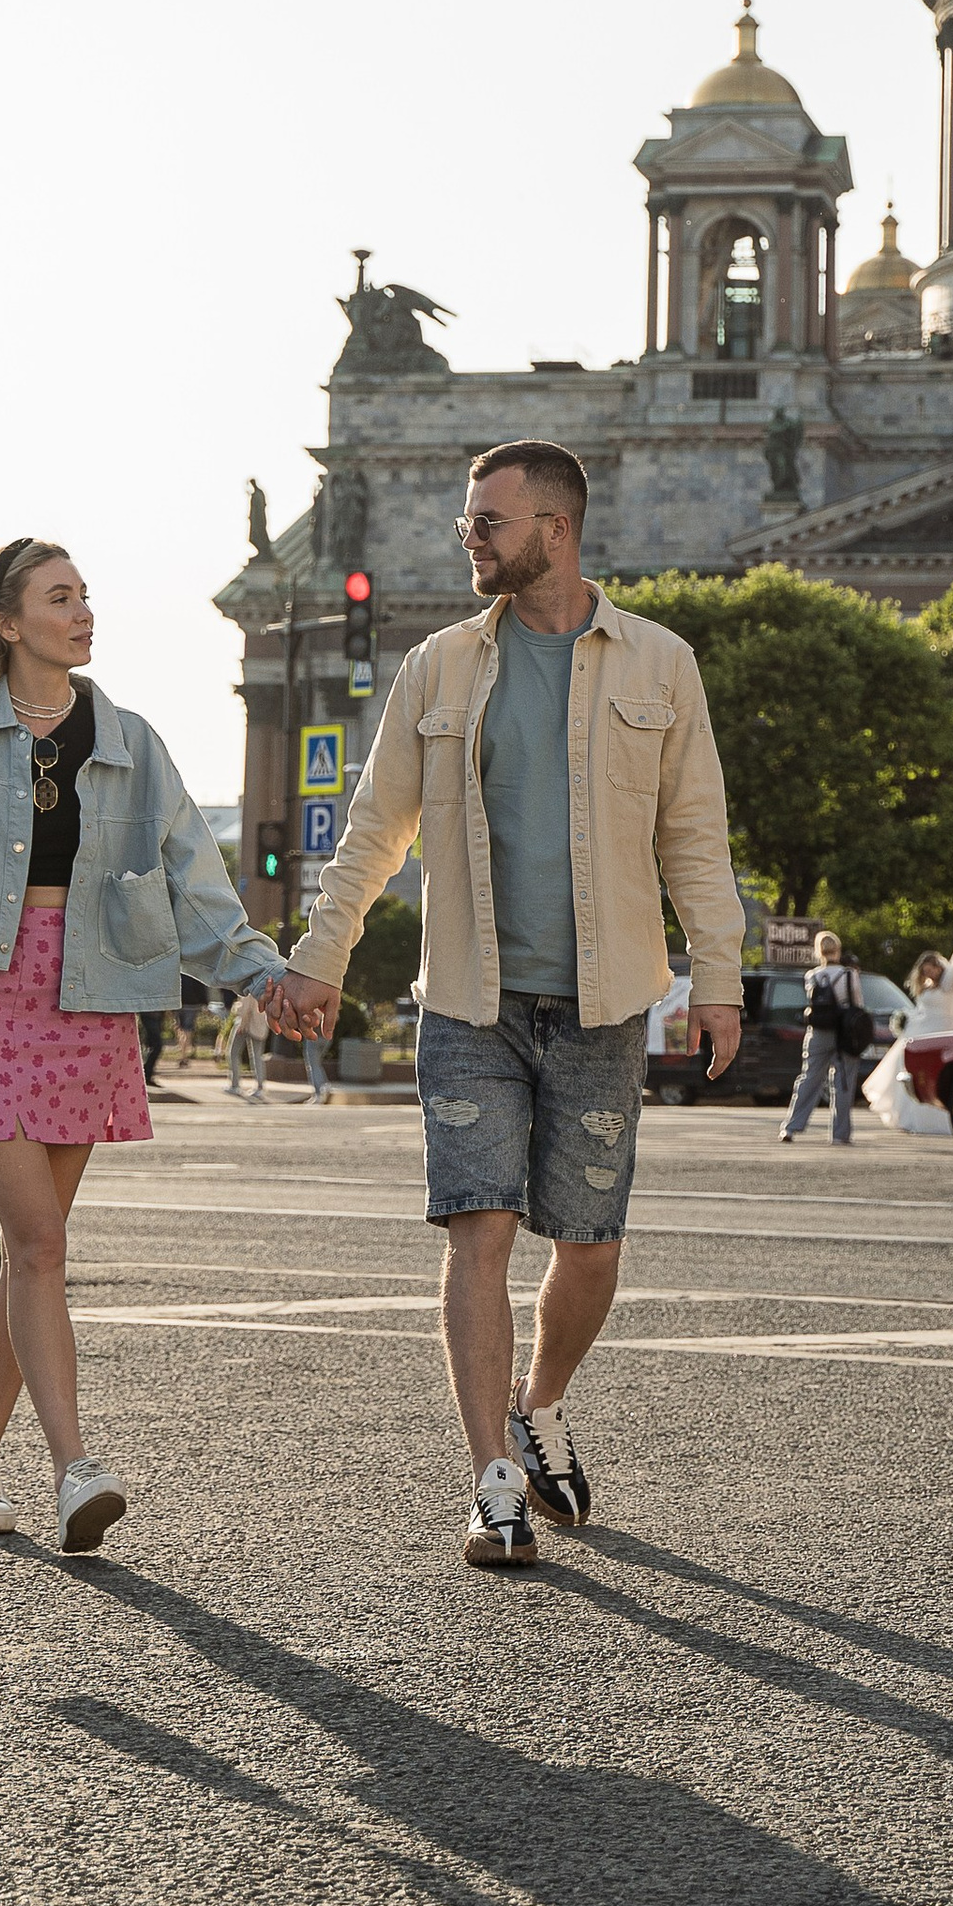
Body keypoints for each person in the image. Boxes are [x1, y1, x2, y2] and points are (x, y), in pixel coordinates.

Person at [271, 439, 744, 1572]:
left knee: (587, 1243)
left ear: (555, 530)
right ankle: (493, 1484)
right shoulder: (437, 664)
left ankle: (540, 1405)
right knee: (476, 1231)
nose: (468, 538)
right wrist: (319, 956)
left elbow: (694, 834)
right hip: (469, 1002)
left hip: (602, 1001)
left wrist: (718, 978)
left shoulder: (659, 663)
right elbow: (373, 827)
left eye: (489, 521)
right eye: (467, 521)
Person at [0, 536, 289, 1556]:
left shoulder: (132, 740)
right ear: (9, 624)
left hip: (95, 995)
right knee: (41, 1247)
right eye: (60, 599)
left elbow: (192, 870)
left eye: (86, 596)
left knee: (32, 1255)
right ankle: (74, 1470)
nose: (83, 612)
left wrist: (262, 974)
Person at [865, 931, 953, 1133]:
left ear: (939, 967)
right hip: (919, 1030)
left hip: (941, 1030)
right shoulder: (926, 986)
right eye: (926, 971)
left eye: (932, 970)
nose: (930, 974)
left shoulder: (949, 983)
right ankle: (908, 1118)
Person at [780, 931, 869, 1147]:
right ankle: (840, 1134)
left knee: (809, 1078)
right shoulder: (849, 974)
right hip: (844, 1033)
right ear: (838, 949)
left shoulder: (812, 976)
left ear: (818, 951)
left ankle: (791, 1127)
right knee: (843, 1083)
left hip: (817, 1032)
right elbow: (858, 1003)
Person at [223, 984, 271, 1099]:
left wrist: (242, 1024)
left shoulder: (248, 986)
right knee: (257, 1056)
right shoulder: (264, 986)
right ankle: (260, 1087)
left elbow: (245, 1008)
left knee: (233, 1053)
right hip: (260, 1025)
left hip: (245, 1024)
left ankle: (235, 1085)